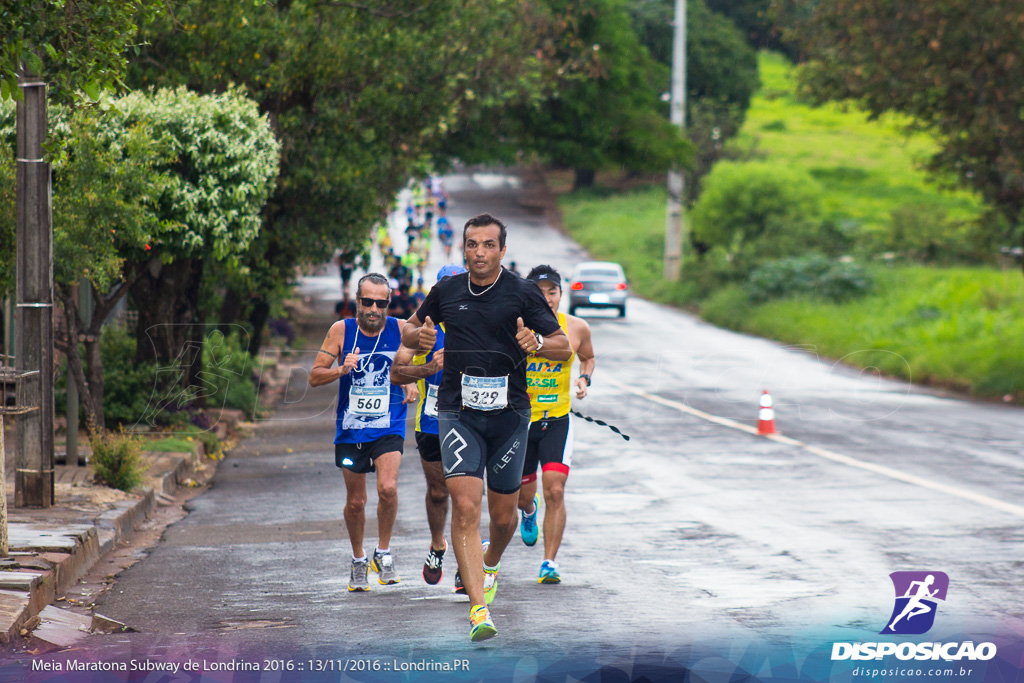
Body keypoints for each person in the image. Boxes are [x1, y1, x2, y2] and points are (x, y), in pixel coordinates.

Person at [401, 214, 571, 642]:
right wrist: (417, 338)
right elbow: (409, 331)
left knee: (501, 517)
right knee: (465, 507)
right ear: (463, 248)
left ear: (502, 250)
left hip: (510, 415)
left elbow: (563, 347)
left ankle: (490, 561)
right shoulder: (446, 291)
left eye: (488, 245)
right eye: (472, 244)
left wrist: (537, 344)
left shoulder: (522, 292)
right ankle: (478, 609)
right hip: (458, 413)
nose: (479, 252)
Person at [309, 273, 418, 592]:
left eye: (380, 303)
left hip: (389, 424)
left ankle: (382, 552)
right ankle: (358, 560)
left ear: (388, 304)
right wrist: (341, 370)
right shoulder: (341, 331)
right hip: (352, 427)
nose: (373, 308)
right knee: (356, 502)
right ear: (357, 301)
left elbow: (409, 364)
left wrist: (408, 379)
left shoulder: (400, 330)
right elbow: (314, 377)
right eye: (367, 301)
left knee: (388, 487)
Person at [516, 265, 595, 584]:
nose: (547, 298)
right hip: (520, 423)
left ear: (561, 294)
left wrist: (584, 378)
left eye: (553, 291)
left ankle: (549, 562)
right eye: (540, 292)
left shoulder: (576, 328)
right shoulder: (516, 326)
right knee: (523, 496)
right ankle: (528, 509)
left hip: (557, 420)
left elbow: (588, 357)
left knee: (556, 490)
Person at [390, 264, 465, 586]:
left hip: (471, 421)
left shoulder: (481, 324)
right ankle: (438, 544)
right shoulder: (423, 331)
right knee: (438, 492)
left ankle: (468, 562)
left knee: (466, 494)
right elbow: (396, 373)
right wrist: (430, 367)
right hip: (432, 422)